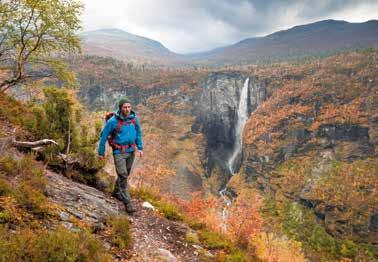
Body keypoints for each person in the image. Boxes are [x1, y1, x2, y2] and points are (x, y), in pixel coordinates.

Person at [98, 97, 143, 213]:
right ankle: (127, 203)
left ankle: (116, 192)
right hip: (119, 152)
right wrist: (101, 152)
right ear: (120, 108)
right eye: (125, 107)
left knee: (125, 174)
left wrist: (140, 148)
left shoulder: (134, 119)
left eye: (129, 107)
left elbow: (138, 132)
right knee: (123, 175)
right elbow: (103, 137)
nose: (127, 109)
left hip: (131, 151)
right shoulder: (112, 121)